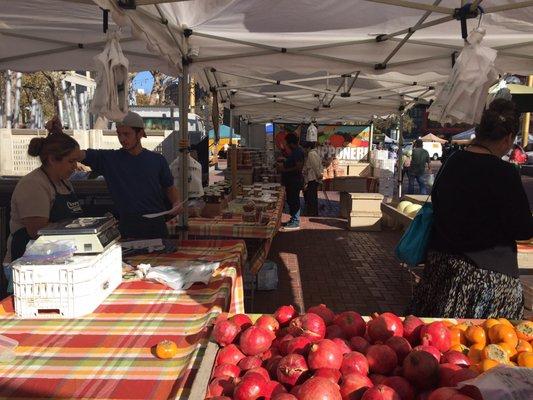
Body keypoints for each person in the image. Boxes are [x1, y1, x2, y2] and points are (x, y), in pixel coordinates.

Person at [408, 99, 533, 319]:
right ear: (508, 138)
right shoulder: (505, 173)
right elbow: (523, 228)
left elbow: (438, 204)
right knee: (481, 346)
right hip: (488, 280)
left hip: (442, 273)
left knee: (442, 344)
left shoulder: (451, 163)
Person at [79, 111, 181, 239]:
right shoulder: (109, 159)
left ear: (139, 134)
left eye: (126, 134)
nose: (122, 139)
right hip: (127, 228)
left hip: (156, 227)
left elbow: (169, 188)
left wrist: (176, 202)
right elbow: (79, 154)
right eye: (119, 134)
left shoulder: (157, 160)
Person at [6, 118, 84, 263]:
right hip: (29, 261)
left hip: (59, 257)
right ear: (52, 160)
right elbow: (37, 231)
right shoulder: (33, 184)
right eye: (71, 161)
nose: (75, 166)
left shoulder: (64, 183)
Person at [277, 133, 305, 231]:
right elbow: (293, 161)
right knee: (291, 200)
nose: (286, 145)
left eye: (287, 143)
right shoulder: (295, 151)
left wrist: (284, 170)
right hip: (291, 181)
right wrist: (285, 160)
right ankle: (293, 219)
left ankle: (295, 221)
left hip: (294, 181)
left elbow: (299, 166)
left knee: (294, 200)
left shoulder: (298, 151)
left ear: (291, 143)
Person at [302, 141, 323, 217]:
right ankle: (313, 212)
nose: (304, 150)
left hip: (312, 178)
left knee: (312, 196)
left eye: (305, 148)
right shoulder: (315, 153)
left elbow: (315, 166)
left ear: (308, 148)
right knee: (312, 196)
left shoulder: (311, 154)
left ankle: (312, 212)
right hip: (314, 178)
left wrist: (318, 175)